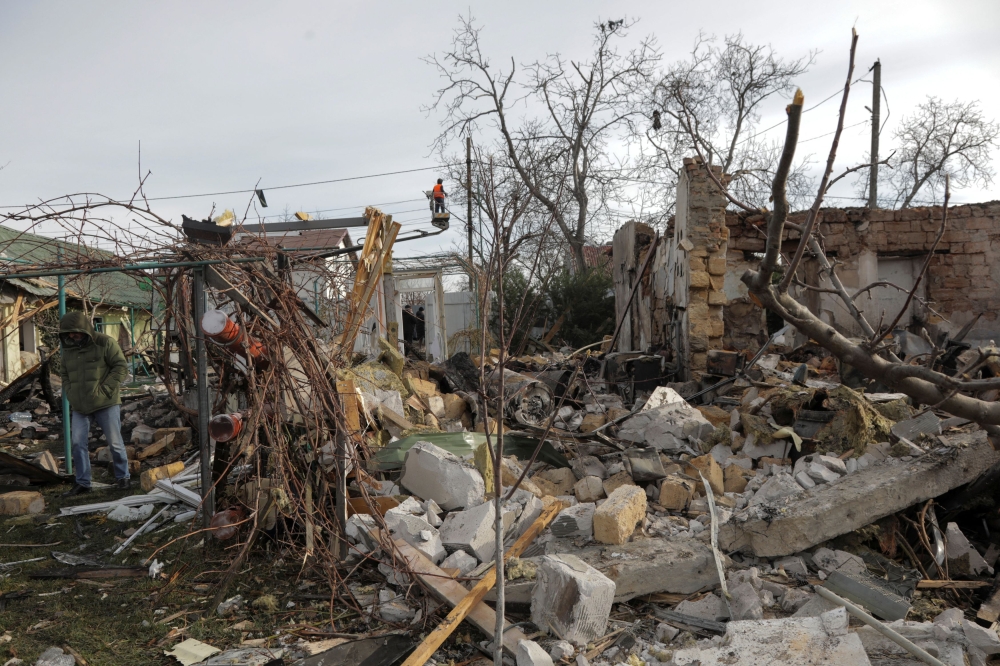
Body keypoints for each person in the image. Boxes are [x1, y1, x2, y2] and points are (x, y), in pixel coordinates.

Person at [59, 312, 131, 495]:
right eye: (68, 333)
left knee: (114, 443)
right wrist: (71, 393)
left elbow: (121, 367)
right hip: (80, 405)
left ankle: (123, 477)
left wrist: (105, 390)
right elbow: (65, 373)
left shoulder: (105, 342)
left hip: (106, 403)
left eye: (74, 332)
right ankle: (83, 482)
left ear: (83, 329)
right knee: (77, 443)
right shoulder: (68, 348)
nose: (71, 336)